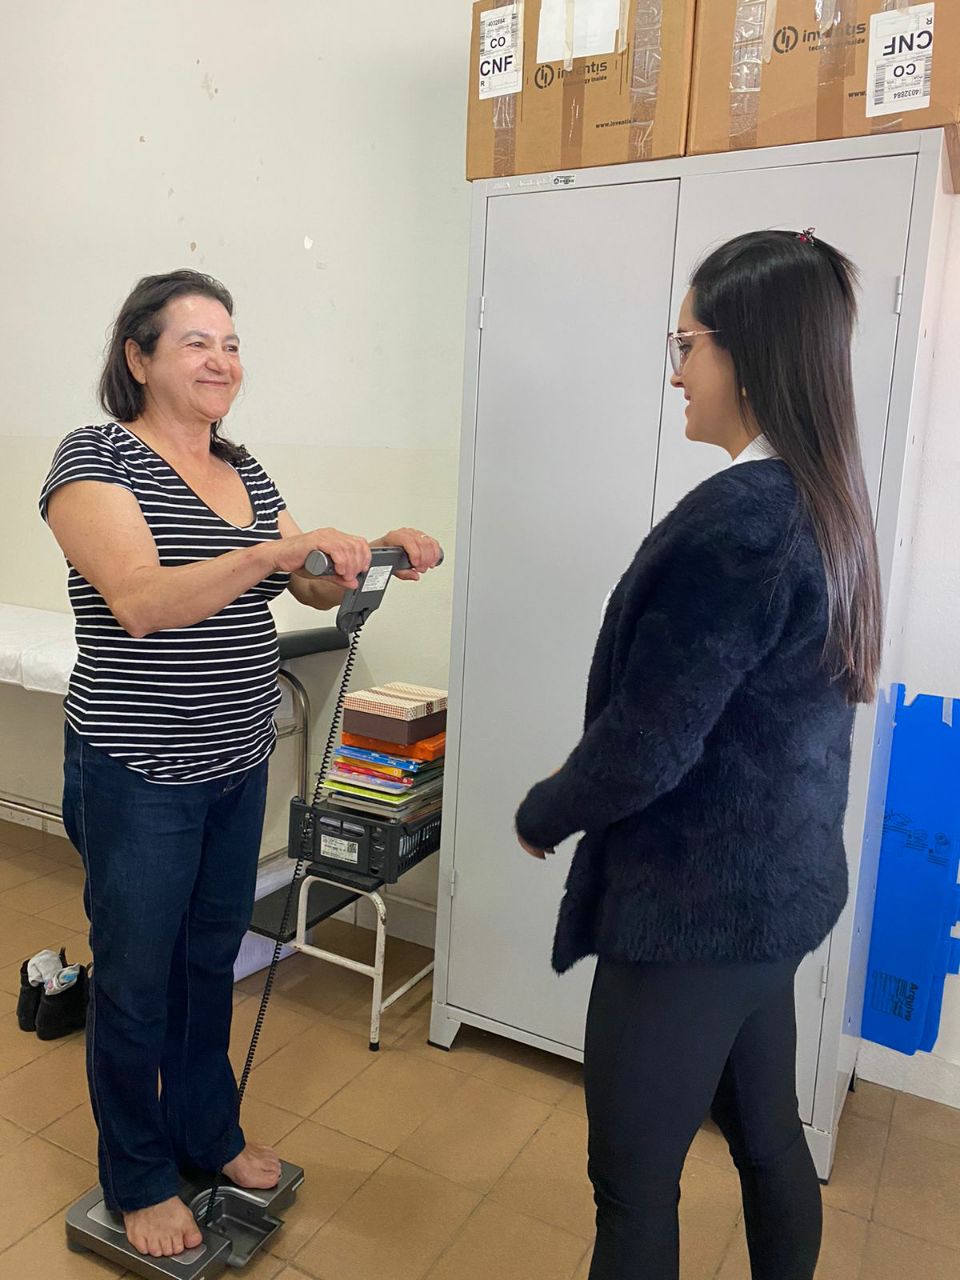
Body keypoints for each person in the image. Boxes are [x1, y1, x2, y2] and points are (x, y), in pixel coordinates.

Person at [40, 269, 441, 1260]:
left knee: (210, 960)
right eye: (196, 341)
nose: (222, 360)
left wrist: (366, 553)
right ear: (138, 357)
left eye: (231, 342)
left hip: (234, 760)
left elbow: (304, 582)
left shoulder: (241, 465)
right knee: (136, 977)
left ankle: (207, 1133)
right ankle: (139, 1175)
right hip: (138, 770)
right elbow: (141, 600)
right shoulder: (94, 459)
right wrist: (270, 555)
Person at [514, 230, 882, 1280]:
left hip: (695, 910)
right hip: (773, 896)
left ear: (746, 353)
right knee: (768, 1138)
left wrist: (546, 809)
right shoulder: (822, 499)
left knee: (632, 1185)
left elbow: (651, 740)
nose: (677, 372)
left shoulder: (744, 523)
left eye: (687, 345)